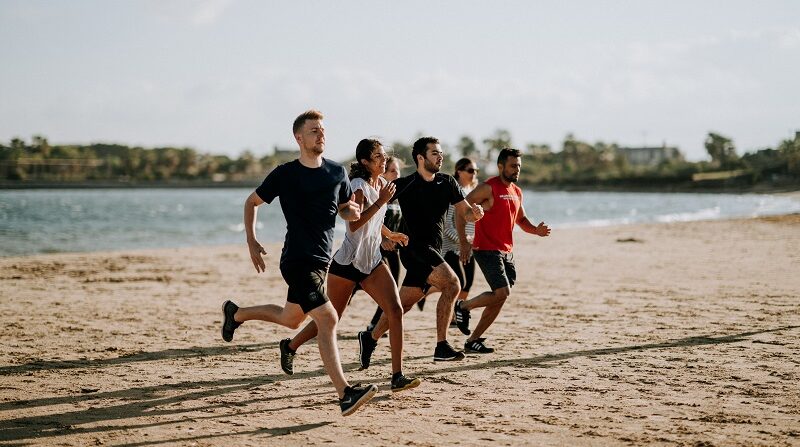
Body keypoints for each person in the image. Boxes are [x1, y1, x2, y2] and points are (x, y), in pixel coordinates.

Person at [220, 110, 378, 416]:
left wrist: (352, 213)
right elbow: (252, 202)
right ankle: (345, 393)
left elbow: (345, 209)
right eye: (314, 130)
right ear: (299, 137)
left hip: (321, 261)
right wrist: (251, 240)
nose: (321, 135)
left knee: (291, 319)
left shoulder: (336, 172)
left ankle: (236, 313)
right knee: (328, 318)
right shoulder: (286, 173)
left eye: (322, 130)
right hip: (296, 260)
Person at [278, 139, 421, 393]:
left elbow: (374, 221)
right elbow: (355, 224)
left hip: (372, 262)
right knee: (332, 318)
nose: (384, 159)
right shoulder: (357, 187)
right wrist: (381, 203)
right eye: (378, 156)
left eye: (384, 155)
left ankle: (397, 376)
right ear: (365, 162)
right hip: (347, 264)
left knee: (395, 310)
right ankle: (290, 346)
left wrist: (390, 235)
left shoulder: (382, 185)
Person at [358, 136, 484, 367]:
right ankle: (441, 345)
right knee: (453, 284)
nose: (440, 157)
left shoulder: (447, 182)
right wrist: (385, 236)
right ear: (420, 157)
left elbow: (465, 212)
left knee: (402, 305)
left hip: (432, 248)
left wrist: (474, 214)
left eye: (440, 153)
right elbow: (374, 210)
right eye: (435, 153)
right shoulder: (405, 184)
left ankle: (370, 337)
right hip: (414, 248)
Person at [454, 148, 551, 354]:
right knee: (502, 292)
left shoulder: (516, 191)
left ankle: (473, 340)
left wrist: (536, 231)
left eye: (519, 166)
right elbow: (460, 210)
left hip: (506, 251)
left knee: (500, 296)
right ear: (500, 166)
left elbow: (521, 220)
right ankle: (463, 307)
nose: (517, 170)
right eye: (513, 166)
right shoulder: (487, 188)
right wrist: (463, 241)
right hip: (486, 248)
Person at [366, 155, 405, 331]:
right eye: (392, 171)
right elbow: (369, 219)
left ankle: (375, 322)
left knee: (392, 288)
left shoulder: (399, 196)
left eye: (398, 171)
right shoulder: (379, 194)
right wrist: (383, 239)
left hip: (393, 250)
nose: (397, 174)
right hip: (375, 248)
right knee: (358, 286)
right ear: (384, 173)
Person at [442, 158, 480, 329]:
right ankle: (451, 317)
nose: (474, 174)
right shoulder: (453, 193)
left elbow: (474, 222)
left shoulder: (473, 192)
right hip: (451, 247)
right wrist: (462, 240)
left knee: (468, 283)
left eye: (476, 171)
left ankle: (456, 315)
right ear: (459, 171)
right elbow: (447, 225)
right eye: (471, 170)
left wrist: (473, 241)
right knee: (460, 283)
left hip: (470, 246)